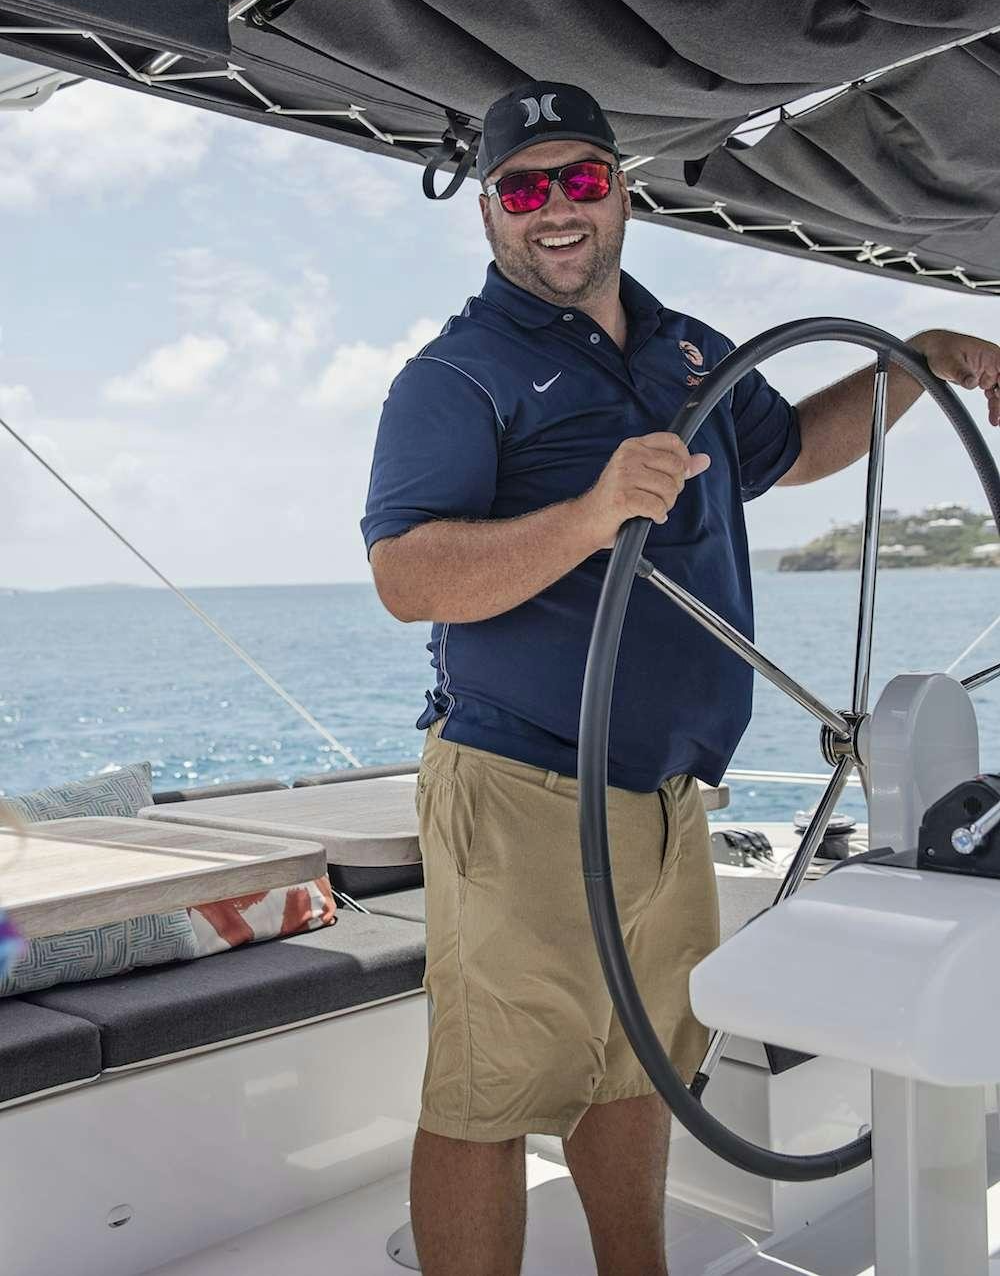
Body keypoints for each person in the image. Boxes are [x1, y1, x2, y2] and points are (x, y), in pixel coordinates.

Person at [361, 81, 1000, 1276]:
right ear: (491, 212)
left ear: (622, 190)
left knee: (643, 1061)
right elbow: (409, 574)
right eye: (525, 187)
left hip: (669, 796)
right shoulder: (458, 377)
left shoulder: (686, 346)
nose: (556, 210)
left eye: (581, 180)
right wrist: (592, 513)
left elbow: (794, 448)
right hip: (520, 786)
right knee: (488, 1093)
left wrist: (911, 362)